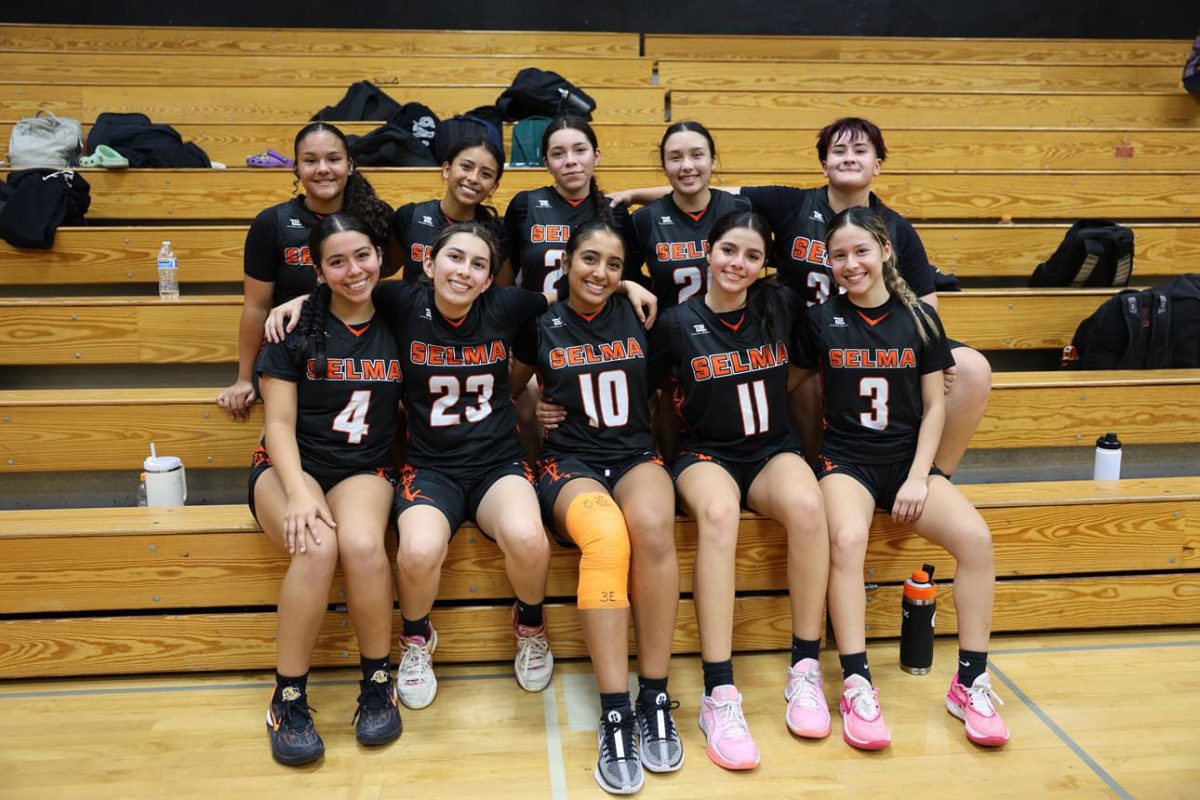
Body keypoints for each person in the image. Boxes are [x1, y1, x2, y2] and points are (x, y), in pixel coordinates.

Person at [266, 224, 656, 709]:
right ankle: (415, 640)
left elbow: (579, 287)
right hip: (430, 467)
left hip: (497, 463)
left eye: (478, 265)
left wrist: (629, 284)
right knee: (418, 550)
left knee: (528, 538)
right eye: (454, 258)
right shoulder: (402, 302)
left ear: (491, 279)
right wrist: (299, 302)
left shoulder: (511, 306)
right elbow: (348, 287)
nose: (464, 271)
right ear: (429, 265)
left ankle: (530, 624)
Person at [615, 117, 991, 476]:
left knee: (972, 369)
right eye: (838, 150)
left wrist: (931, 356)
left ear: (877, 165)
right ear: (823, 163)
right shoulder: (791, 204)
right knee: (809, 376)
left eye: (860, 151)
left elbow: (925, 306)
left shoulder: (896, 227)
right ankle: (818, 471)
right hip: (802, 342)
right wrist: (634, 195)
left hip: (874, 338)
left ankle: (934, 474)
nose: (848, 157)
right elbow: (701, 191)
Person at [796, 207, 1008, 751]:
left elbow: (936, 407)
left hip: (907, 463)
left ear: (886, 253)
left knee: (977, 541)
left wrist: (920, 478)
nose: (851, 264)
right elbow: (795, 386)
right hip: (847, 464)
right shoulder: (819, 319)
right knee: (846, 538)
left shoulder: (920, 318)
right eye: (838, 255)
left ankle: (970, 680)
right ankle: (856, 681)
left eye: (861, 251)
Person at [648, 210, 830, 771]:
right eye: (729, 250)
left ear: (764, 264)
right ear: (707, 251)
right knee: (721, 513)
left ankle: (804, 669)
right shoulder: (677, 323)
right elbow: (648, 395)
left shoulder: (780, 306)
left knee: (807, 505)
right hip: (705, 454)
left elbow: (808, 364)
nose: (738, 263)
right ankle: (718, 692)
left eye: (752, 255)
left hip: (772, 446)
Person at [511, 221, 682, 794]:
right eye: (589, 259)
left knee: (655, 527)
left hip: (634, 455)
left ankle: (654, 694)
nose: (600, 273)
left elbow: (659, 390)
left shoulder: (641, 314)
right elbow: (508, 388)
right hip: (570, 464)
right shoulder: (539, 323)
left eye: (613, 264)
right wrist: (535, 409)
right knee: (608, 535)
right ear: (566, 259)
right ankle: (615, 712)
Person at [250, 213, 403, 766]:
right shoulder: (293, 329)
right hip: (290, 465)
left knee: (362, 545)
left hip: (362, 467)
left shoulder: (400, 316)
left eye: (362, 255)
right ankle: (287, 697)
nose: (353, 270)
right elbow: (280, 426)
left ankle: (377, 683)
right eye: (336, 261)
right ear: (318, 270)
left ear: (380, 257)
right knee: (316, 547)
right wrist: (297, 492)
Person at [218, 122, 393, 422]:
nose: (323, 169)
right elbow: (257, 305)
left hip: (357, 343)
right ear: (297, 169)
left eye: (334, 159)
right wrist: (244, 378)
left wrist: (309, 299)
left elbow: (376, 287)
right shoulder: (272, 222)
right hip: (293, 344)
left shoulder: (376, 217)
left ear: (350, 165)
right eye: (310, 161)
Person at [627, 121, 750, 310]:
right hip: (671, 334)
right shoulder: (643, 219)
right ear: (664, 166)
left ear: (713, 161)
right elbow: (627, 278)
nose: (686, 166)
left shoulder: (740, 208)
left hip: (731, 335)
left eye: (697, 155)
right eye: (675, 158)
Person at [504, 116, 635, 294]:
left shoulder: (615, 211)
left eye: (580, 150)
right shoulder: (524, 205)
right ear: (546, 163)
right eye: (558, 154)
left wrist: (636, 195)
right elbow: (506, 274)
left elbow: (626, 276)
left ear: (596, 156)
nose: (570, 161)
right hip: (534, 319)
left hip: (596, 321)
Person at [387, 135, 513, 284]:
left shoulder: (496, 233)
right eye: (466, 167)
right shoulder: (410, 216)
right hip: (415, 306)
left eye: (485, 174)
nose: (473, 178)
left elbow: (504, 291)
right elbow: (387, 268)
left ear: (493, 187)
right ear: (447, 169)